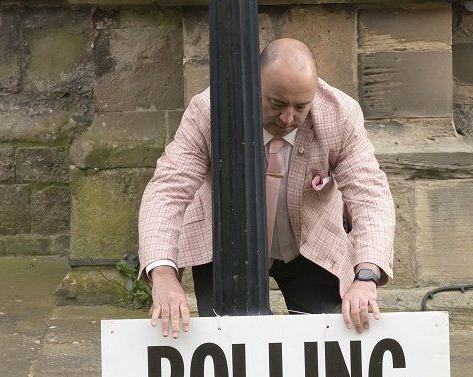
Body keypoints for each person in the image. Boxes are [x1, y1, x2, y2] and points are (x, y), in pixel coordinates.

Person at [137, 38, 395, 338]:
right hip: (226, 245)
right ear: (253, 84)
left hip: (311, 244)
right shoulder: (209, 111)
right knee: (229, 343)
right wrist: (164, 274)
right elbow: (168, 189)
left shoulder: (341, 114)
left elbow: (370, 195)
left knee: (330, 340)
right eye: (277, 103)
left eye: (301, 107)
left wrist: (365, 276)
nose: (288, 118)